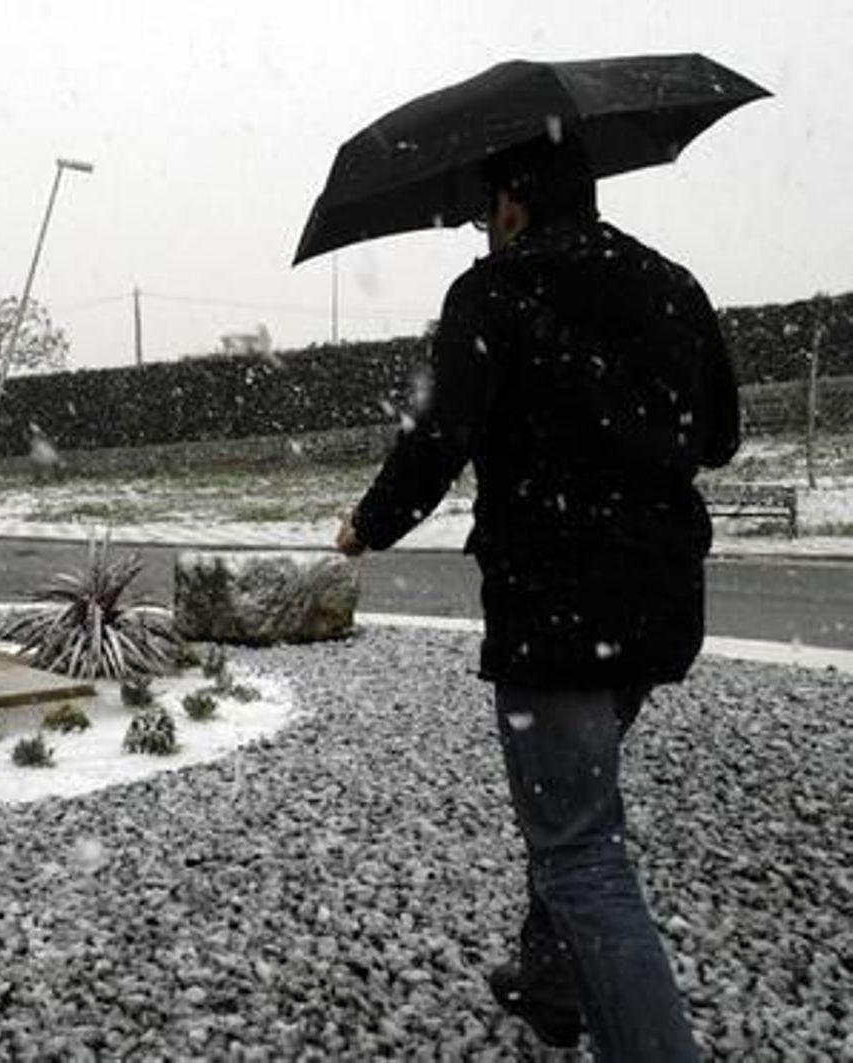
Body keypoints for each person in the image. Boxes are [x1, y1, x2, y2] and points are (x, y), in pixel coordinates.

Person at [336, 133, 738, 1061]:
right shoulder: (672, 283)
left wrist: (367, 525)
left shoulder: (494, 291)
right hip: (660, 600)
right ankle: (553, 982)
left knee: (580, 845)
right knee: (574, 801)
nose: (485, 228)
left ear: (512, 202)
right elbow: (718, 437)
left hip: (554, 603)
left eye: (486, 211)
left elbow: (437, 439)